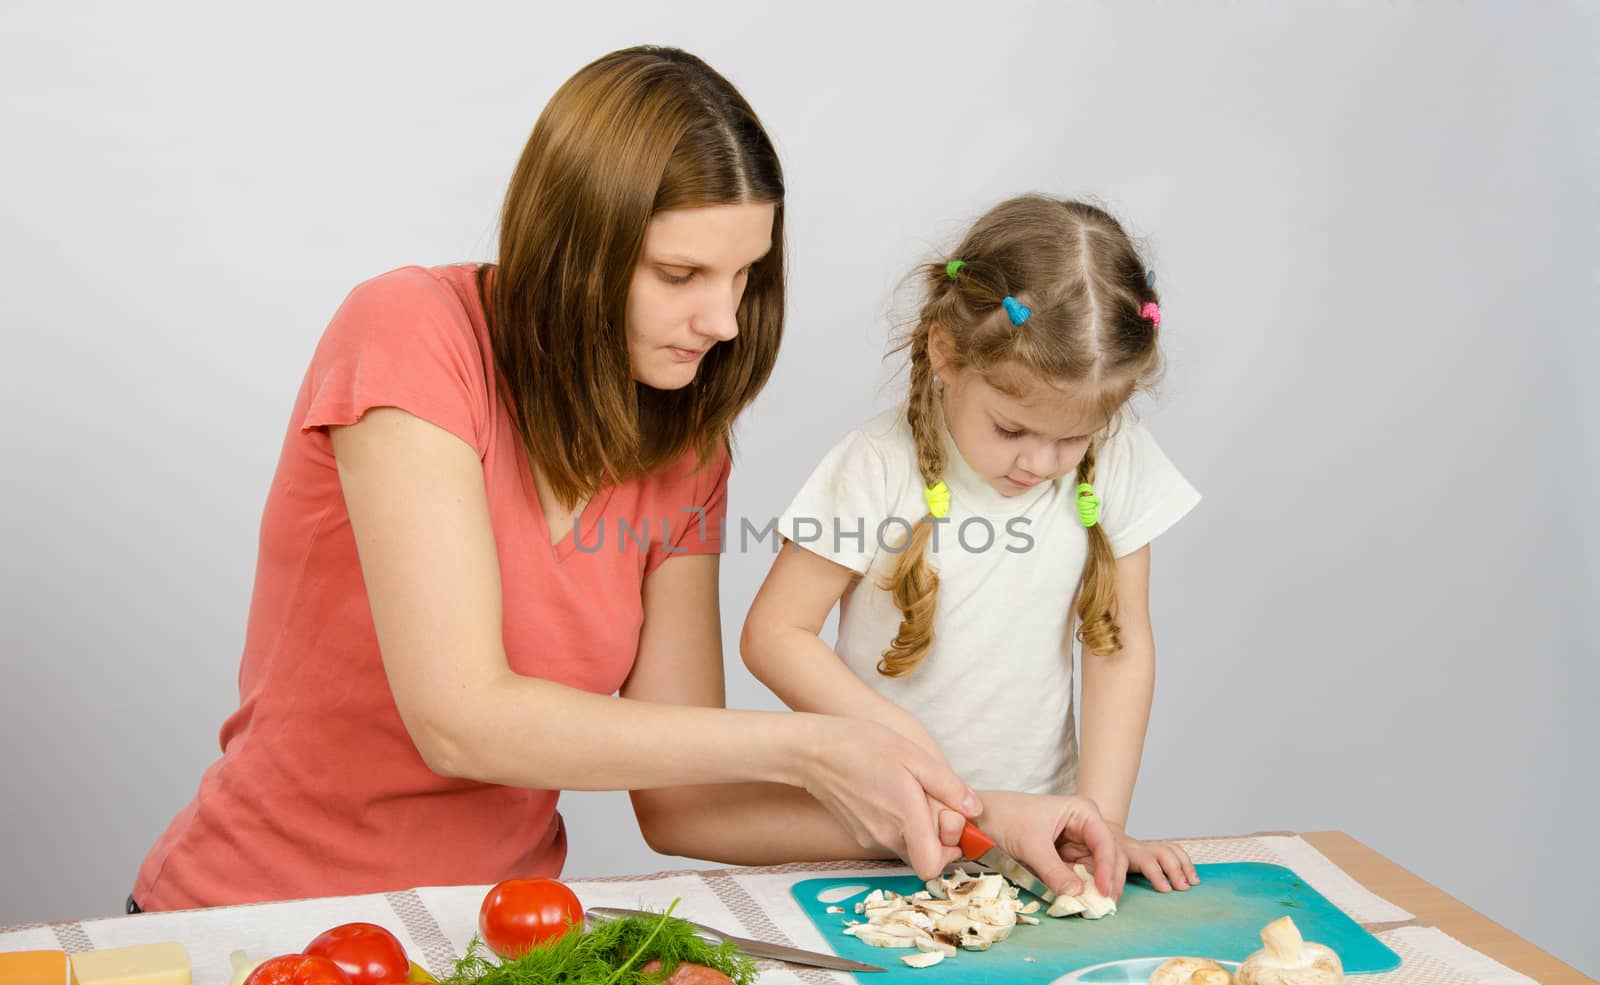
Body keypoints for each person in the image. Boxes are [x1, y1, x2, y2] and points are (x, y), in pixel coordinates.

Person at [132, 47, 1130, 911]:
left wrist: (978, 820)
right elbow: (459, 718)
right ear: (576, 244)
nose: (727, 321)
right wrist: (809, 745)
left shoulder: (686, 447)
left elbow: (684, 799)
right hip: (260, 917)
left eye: (745, 277)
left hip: (497, 941)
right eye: (682, 274)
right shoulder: (409, 335)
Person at [742, 195, 1202, 900]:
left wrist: (1100, 824)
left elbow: (1119, 647)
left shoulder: (1120, 461)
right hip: (879, 835)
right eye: (1012, 430)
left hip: (1037, 847)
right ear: (945, 353)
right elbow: (775, 633)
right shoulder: (875, 466)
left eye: (1072, 438)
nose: (1041, 463)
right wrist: (915, 759)